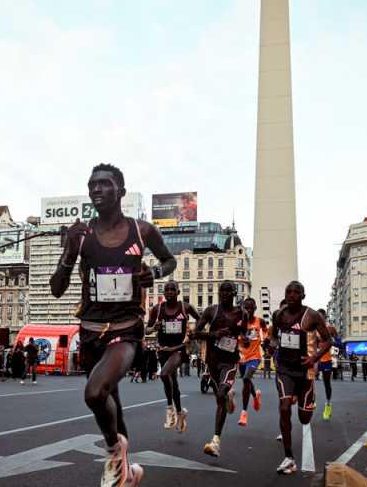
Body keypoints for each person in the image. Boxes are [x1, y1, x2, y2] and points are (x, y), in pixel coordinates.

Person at [50, 163, 176, 487]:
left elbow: (169, 260)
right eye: (92, 185)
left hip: (126, 328)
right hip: (90, 329)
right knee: (113, 405)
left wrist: (155, 274)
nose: (96, 190)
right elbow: (56, 288)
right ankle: (128, 472)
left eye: (104, 184)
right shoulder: (81, 234)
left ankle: (112, 451)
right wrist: (68, 252)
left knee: (95, 393)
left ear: (120, 190)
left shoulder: (143, 230)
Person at [266, 281, 331, 475]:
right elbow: (273, 336)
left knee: (304, 419)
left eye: (296, 292)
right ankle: (289, 458)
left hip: (305, 372)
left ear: (303, 295)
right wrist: (271, 344)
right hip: (284, 370)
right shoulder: (278, 315)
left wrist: (314, 358)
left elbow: (328, 340)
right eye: (289, 291)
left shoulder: (312, 315)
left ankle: (307, 399)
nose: (292, 295)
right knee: (284, 408)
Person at [191, 281, 247, 457]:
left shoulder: (242, 313)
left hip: (230, 361)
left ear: (234, 293)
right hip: (213, 361)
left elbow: (243, 335)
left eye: (228, 291)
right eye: (221, 290)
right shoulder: (211, 311)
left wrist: (245, 340)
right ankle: (227, 397)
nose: (224, 294)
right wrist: (213, 335)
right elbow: (195, 333)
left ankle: (216, 440)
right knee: (219, 398)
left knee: (221, 393)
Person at [146, 281, 198, 432]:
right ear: (163, 293)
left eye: (172, 289)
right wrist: (152, 327)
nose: (169, 292)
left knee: (164, 374)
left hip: (180, 348)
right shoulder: (157, 309)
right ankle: (181, 412)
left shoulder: (185, 307)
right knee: (173, 383)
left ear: (178, 292)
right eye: (166, 290)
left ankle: (170, 409)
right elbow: (147, 330)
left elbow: (200, 319)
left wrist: (193, 332)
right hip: (163, 349)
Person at [237, 297, 266, 427]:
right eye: (245, 308)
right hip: (242, 357)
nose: (248, 310)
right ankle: (255, 397)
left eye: (250, 308)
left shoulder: (260, 321)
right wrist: (242, 338)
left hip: (255, 356)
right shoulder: (238, 323)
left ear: (255, 309)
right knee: (247, 380)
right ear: (242, 309)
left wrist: (264, 340)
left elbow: (265, 330)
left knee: (246, 378)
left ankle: (244, 413)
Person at [314, 310, 336, 421]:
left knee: (326, 383)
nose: (320, 319)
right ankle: (312, 400)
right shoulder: (314, 329)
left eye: (322, 317)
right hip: (317, 359)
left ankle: (328, 405)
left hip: (327, 360)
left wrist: (331, 340)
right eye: (318, 317)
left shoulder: (330, 328)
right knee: (310, 379)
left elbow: (338, 342)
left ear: (325, 317)